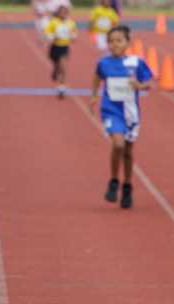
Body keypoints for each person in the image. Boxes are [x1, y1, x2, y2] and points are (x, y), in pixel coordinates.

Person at [89, 25, 153, 209]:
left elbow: (148, 82)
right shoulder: (103, 63)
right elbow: (97, 76)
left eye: (119, 40)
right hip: (110, 110)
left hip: (131, 113)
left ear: (127, 43)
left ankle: (127, 186)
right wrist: (94, 95)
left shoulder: (136, 63)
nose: (114, 44)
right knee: (118, 144)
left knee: (128, 151)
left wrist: (139, 86)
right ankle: (114, 180)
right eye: (111, 41)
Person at [46, 5, 77, 98]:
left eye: (65, 12)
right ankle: (55, 71)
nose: (63, 14)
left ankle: (61, 87)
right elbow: (48, 33)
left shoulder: (71, 23)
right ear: (58, 13)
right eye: (61, 12)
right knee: (57, 66)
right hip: (55, 47)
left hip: (64, 47)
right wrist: (53, 37)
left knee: (62, 66)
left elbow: (74, 34)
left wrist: (72, 37)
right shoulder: (53, 22)